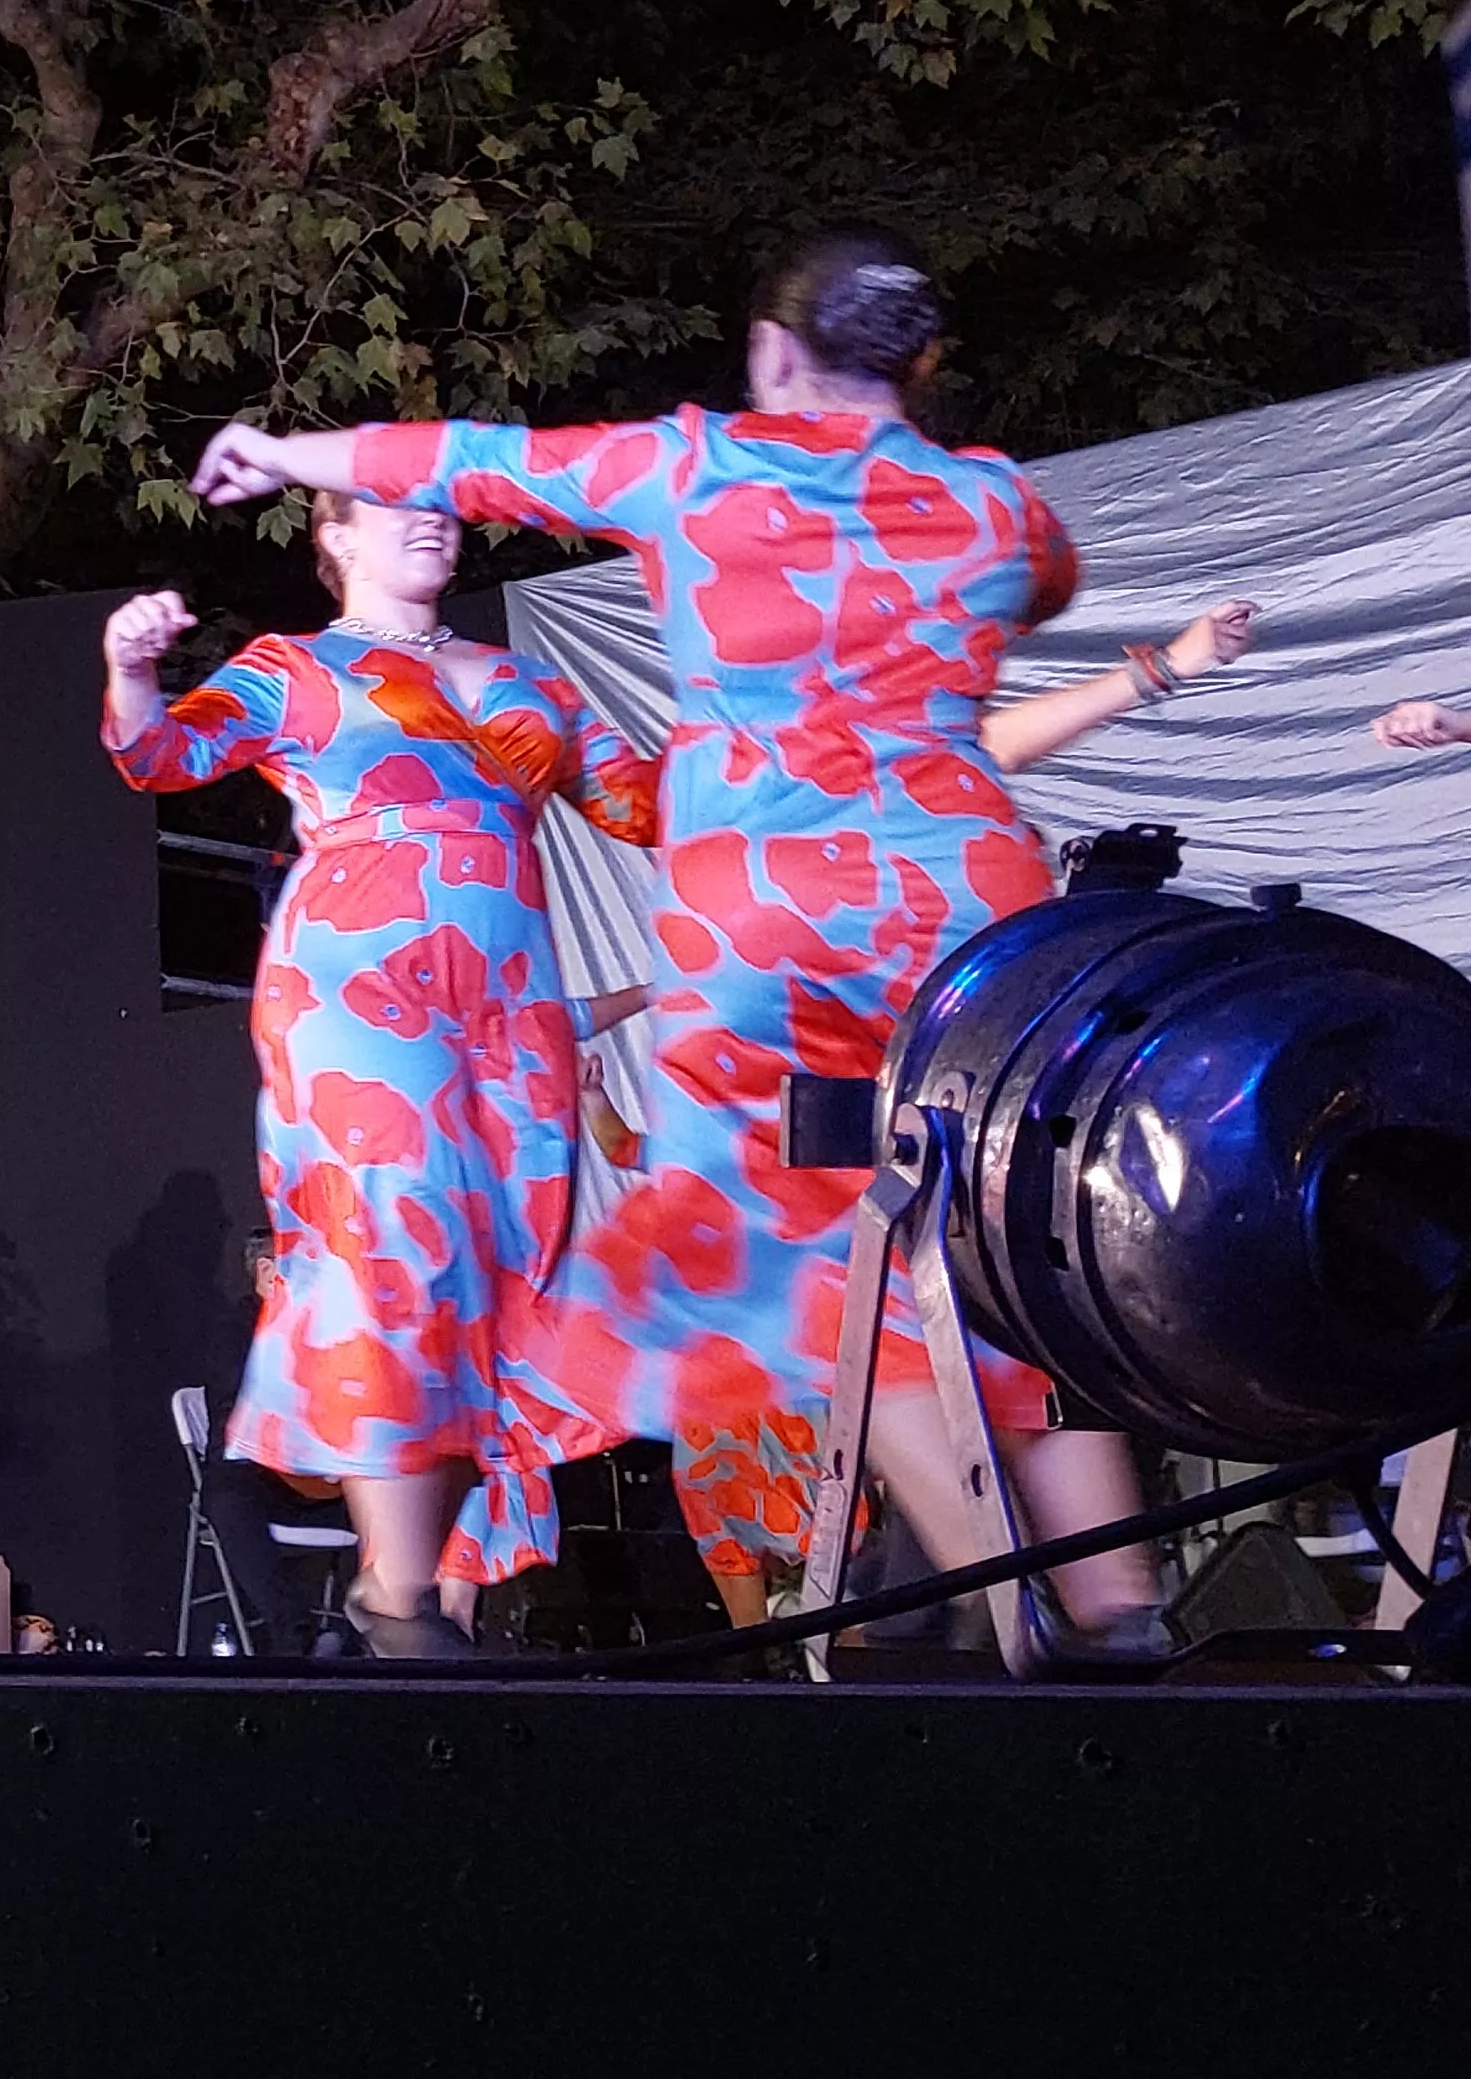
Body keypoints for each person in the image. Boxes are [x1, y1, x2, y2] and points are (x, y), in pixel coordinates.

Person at [183, 227, 1172, 1644]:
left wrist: (287, 453)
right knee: (997, 1223)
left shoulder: (701, 467)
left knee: (837, 1239)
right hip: (968, 905)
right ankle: (1112, 1593)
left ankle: (999, 1601)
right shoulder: (994, 503)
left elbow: (472, 457)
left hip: (774, 916)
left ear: (775, 355)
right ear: (918, 361)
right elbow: (1049, 585)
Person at [101, 492, 661, 1651]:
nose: (425, 522)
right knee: (389, 1238)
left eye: (437, 507)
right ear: (334, 542)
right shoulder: (293, 667)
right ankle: (398, 1595)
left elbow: (644, 806)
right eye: (388, 508)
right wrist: (132, 670)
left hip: (509, 997)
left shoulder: (521, 684)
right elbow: (159, 752)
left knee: (501, 1259)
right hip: (357, 985)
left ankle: (433, 1586)